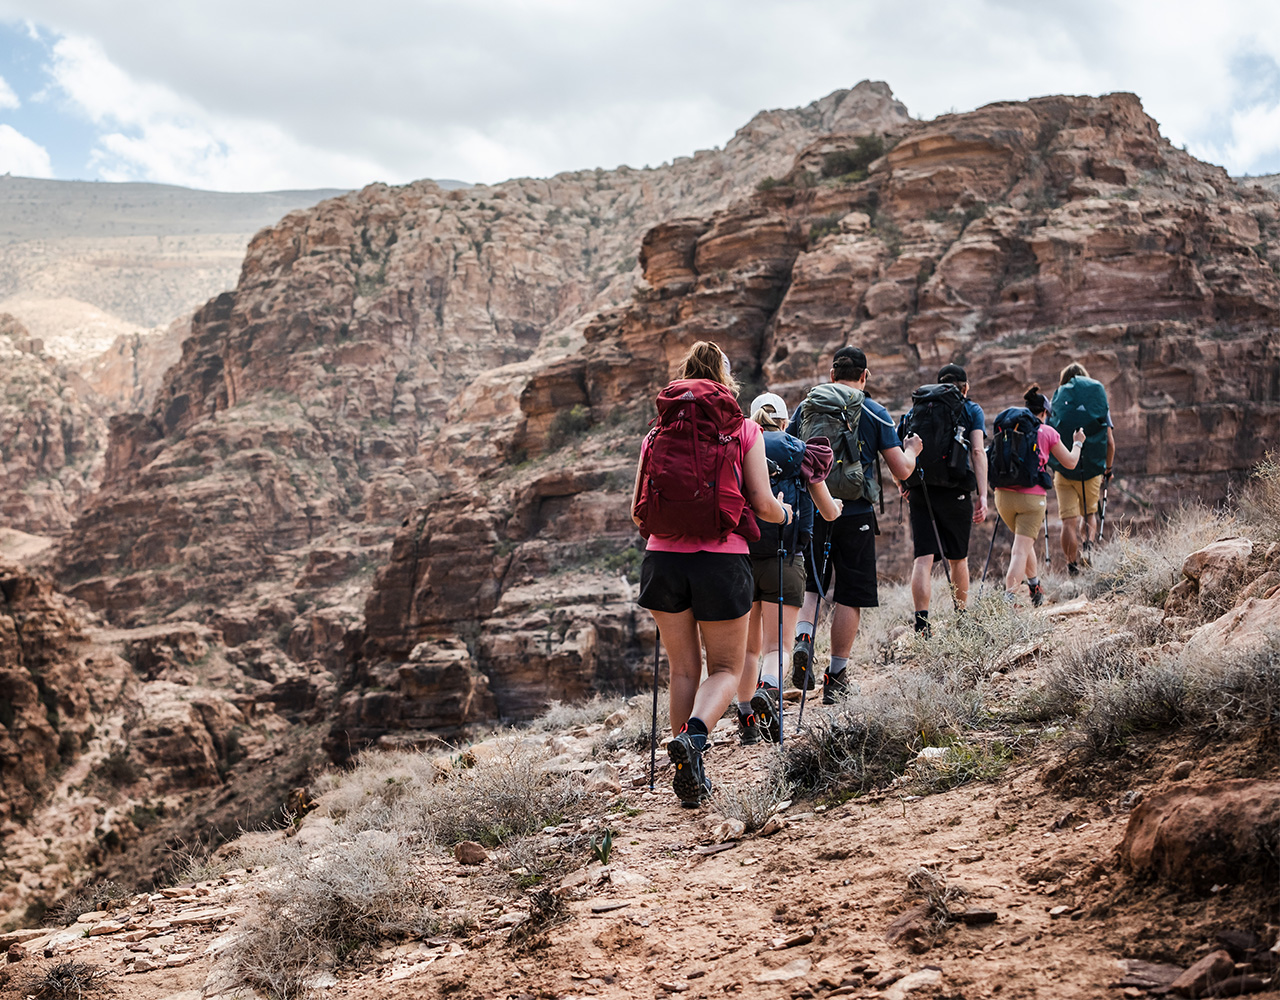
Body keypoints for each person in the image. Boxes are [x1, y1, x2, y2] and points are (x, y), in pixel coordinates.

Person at [630, 341, 792, 807]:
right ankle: (696, 738)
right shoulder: (743, 430)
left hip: (662, 561)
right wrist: (785, 513)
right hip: (721, 561)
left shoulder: (655, 434)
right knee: (727, 667)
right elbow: (762, 505)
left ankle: (687, 766)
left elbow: (637, 513)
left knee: (683, 669)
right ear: (725, 379)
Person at [786, 346, 923, 706]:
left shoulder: (807, 407)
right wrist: (913, 450)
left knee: (813, 585)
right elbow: (902, 470)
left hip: (813, 508)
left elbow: (786, 456)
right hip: (856, 512)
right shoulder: (874, 411)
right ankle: (837, 676)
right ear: (865, 376)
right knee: (850, 593)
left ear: (832, 375)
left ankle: (803, 639)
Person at [735, 393, 841, 744]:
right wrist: (837, 507)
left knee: (747, 649)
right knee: (777, 646)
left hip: (742, 558)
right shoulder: (799, 451)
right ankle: (769, 689)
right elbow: (828, 512)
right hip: (787, 558)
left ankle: (747, 719)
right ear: (783, 422)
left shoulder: (739, 447)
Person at [897, 363, 988, 636]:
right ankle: (961, 617)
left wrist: (902, 483)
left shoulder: (917, 409)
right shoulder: (971, 409)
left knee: (923, 559)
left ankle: (922, 624)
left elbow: (897, 449)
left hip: (921, 490)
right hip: (956, 489)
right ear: (965, 387)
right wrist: (983, 495)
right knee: (958, 558)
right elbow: (978, 452)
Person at [992, 385, 1084, 606]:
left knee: (1023, 542)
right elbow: (1070, 462)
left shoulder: (1009, 427)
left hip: (1002, 497)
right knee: (1020, 550)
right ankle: (1009, 600)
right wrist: (1078, 442)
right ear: (1043, 413)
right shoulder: (1047, 432)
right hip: (1032, 500)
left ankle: (1035, 586)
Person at [1048, 362, 1115, 575]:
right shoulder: (1097, 402)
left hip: (1065, 470)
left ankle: (1072, 566)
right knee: (1089, 514)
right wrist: (1108, 469)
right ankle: (1088, 547)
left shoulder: (1058, 401)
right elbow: (1111, 442)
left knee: (1068, 521)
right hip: (1092, 469)